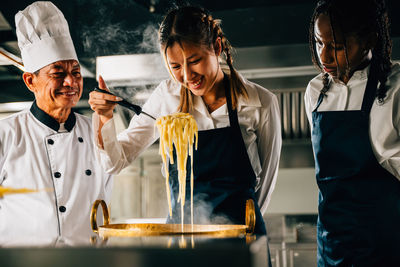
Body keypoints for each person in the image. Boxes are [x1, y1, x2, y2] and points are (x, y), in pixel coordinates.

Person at [89, 5, 281, 236]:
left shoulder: (260, 102)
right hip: (184, 241)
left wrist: (241, 233)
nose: (188, 76)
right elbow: (114, 162)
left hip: (242, 238)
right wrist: (104, 117)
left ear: (217, 47)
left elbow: (266, 184)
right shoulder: (165, 98)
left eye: (195, 60)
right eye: (176, 67)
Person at [0, 1, 112, 245]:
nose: (71, 82)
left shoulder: (98, 131)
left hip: (89, 261)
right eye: (58, 73)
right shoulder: (6, 135)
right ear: (30, 81)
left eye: (76, 72)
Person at [305, 0, 400, 265]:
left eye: (337, 47)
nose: (324, 57)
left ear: (369, 39)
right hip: (331, 245)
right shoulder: (316, 93)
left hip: (385, 246)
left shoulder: (396, 87)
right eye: (318, 42)